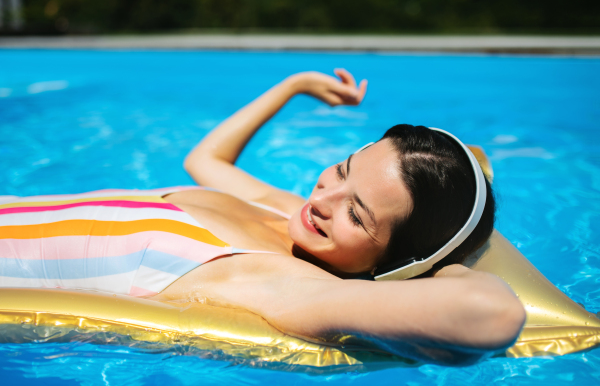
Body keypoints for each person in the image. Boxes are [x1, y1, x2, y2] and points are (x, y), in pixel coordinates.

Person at [0, 69, 525, 366]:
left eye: (357, 216)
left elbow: (490, 315)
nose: (324, 198)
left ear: (395, 266)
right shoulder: (284, 213)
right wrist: (292, 86)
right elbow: (205, 163)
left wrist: (442, 268)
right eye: (342, 170)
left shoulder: (281, 283)